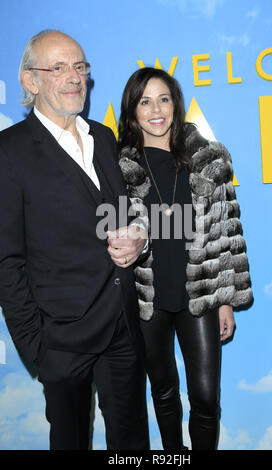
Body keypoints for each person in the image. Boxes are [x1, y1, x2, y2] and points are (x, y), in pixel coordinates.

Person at [0, 30, 150, 450]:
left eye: (80, 67)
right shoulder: (8, 152)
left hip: (122, 326)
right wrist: (38, 348)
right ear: (31, 81)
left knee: (132, 447)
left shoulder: (103, 137)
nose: (74, 77)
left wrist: (139, 237)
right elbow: (6, 260)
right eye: (59, 67)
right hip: (61, 340)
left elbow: (121, 216)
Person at [118, 67, 253, 450]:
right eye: (145, 101)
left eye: (163, 99)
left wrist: (225, 299)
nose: (156, 109)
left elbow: (229, 232)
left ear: (176, 104)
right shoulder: (118, 168)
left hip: (201, 294)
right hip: (148, 298)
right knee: (163, 393)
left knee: (206, 398)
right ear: (132, 112)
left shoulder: (210, 158)